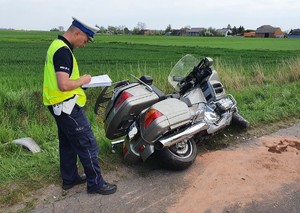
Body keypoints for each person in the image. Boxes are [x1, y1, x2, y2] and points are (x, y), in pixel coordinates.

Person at [43, 17, 117, 195]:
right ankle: (96, 184)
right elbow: (64, 84)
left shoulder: (56, 45)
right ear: (77, 33)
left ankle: (70, 178)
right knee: (87, 143)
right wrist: (83, 80)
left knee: (68, 142)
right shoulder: (63, 51)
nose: (84, 45)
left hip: (57, 105)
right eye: (85, 40)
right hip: (66, 106)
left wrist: (78, 82)